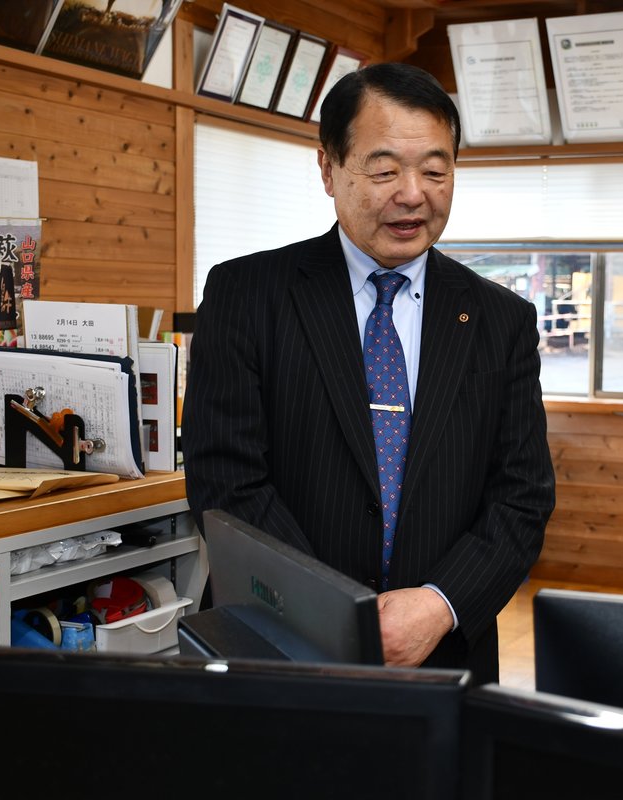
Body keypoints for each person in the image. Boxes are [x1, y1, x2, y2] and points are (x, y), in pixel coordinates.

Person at [183, 62, 556, 684]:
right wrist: (334, 614)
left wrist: (438, 605)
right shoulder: (246, 294)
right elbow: (227, 480)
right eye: (384, 170)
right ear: (328, 168)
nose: (412, 194)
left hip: (442, 655)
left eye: (435, 171)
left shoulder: (501, 319)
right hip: (275, 643)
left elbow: (522, 496)